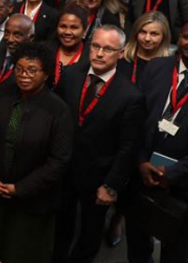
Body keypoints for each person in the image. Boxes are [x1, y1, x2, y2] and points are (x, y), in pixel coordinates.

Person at [0, 43, 73, 263]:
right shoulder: (3, 94)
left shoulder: (58, 111)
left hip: (32, 200)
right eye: (19, 69)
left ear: (45, 74)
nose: (24, 75)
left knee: (22, 253)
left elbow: (59, 161)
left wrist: (20, 188)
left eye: (32, 71)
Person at [53, 26, 144, 263]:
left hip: (98, 177)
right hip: (63, 169)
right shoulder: (71, 75)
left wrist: (111, 185)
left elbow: (128, 147)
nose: (100, 53)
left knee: (89, 231)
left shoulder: (130, 96)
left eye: (108, 49)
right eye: (95, 46)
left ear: (121, 53)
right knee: (61, 223)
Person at [126, 19, 188, 263]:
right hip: (142, 171)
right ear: (178, 38)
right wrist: (139, 161)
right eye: (187, 37)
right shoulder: (158, 67)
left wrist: (173, 174)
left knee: (176, 249)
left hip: (187, 181)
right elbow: (135, 116)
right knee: (137, 241)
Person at [118, 11, 171, 85]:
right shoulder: (122, 58)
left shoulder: (169, 65)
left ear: (164, 37)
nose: (147, 38)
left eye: (154, 34)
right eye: (143, 32)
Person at [51, 4, 90, 86]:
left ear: (84, 30)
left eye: (74, 27)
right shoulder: (45, 50)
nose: (67, 32)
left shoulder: (90, 57)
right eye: (63, 26)